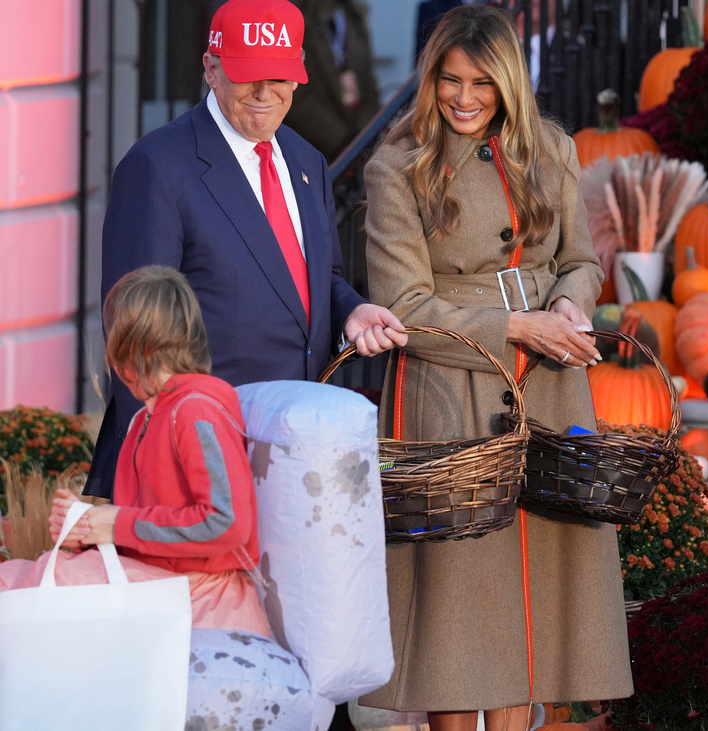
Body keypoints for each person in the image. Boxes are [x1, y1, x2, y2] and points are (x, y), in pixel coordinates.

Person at [359, 5, 631, 731]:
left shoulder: (553, 149)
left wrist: (571, 309)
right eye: (450, 80)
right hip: (451, 385)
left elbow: (580, 261)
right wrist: (515, 324)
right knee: (462, 596)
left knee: (535, 588)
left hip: (549, 379)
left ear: (510, 80)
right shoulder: (396, 167)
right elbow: (404, 304)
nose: (465, 97)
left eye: (482, 82)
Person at [86, 0, 406, 501]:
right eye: (248, 76)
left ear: (299, 76)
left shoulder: (307, 160)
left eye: (278, 77)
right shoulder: (156, 166)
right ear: (211, 70)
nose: (265, 93)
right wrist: (169, 477)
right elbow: (136, 336)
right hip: (197, 465)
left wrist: (350, 309)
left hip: (295, 461)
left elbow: (316, 276)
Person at [0, 266, 268, 637]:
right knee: (17, 582)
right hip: (167, 586)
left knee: (20, 591)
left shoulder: (195, 410)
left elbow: (227, 523)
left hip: (201, 598)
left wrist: (113, 524)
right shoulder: (149, 415)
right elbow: (144, 527)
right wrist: (88, 531)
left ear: (131, 345)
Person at [286, 0, 381, 162]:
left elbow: (368, 85)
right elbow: (294, 92)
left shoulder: (354, 13)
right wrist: (341, 139)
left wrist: (362, 136)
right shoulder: (293, 14)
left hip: (357, 141)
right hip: (312, 145)